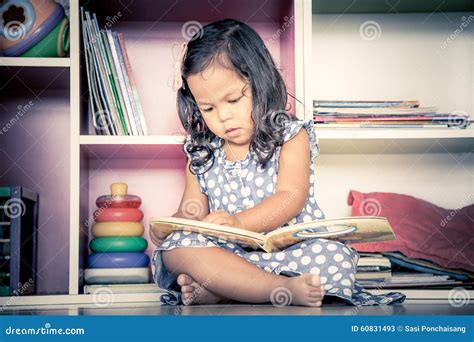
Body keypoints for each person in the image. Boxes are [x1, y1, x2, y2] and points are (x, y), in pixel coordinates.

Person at [150, 18, 405, 307]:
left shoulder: (290, 136)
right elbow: (191, 209)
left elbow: (291, 197)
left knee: (334, 257)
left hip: (293, 251)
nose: (223, 116)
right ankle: (270, 288)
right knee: (177, 249)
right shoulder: (202, 151)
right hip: (229, 255)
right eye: (208, 108)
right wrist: (172, 225)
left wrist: (238, 222)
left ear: (261, 82)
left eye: (233, 100)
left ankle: (230, 291)